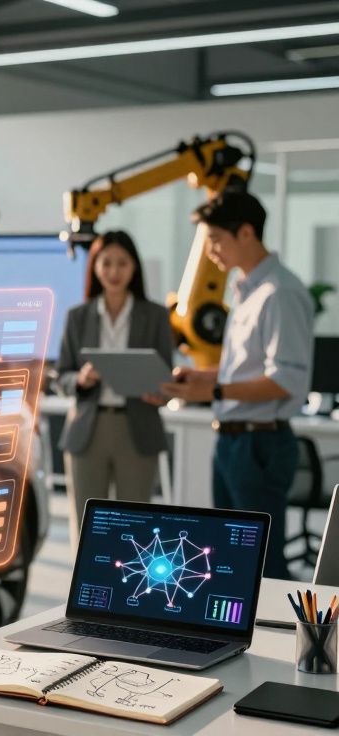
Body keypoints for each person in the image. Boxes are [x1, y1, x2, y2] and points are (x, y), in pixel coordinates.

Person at [160, 191, 314, 580]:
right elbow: (243, 371)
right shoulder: (246, 291)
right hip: (232, 443)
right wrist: (201, 378)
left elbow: (286, 379)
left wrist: (212, 392)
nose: (211, 252)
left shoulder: (280, 294)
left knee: (262, 567)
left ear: (246, 233)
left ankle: (280, 639)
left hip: (259, 444)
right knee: (230, 561)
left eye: (215, 240)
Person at [54, 231, 172, 544]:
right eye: (106, 263)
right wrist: (80, 379)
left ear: (135, 267)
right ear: (94, 267)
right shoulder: (77, 317)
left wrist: (161, 392)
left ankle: (130, 593)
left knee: (136, 530)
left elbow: (166, 379)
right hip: (88, 431)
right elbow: (61, 376)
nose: (114, 272)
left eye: (122, 263)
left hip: (138, 428)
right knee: (89, 528)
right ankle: (87, 593)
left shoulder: (156, 316)